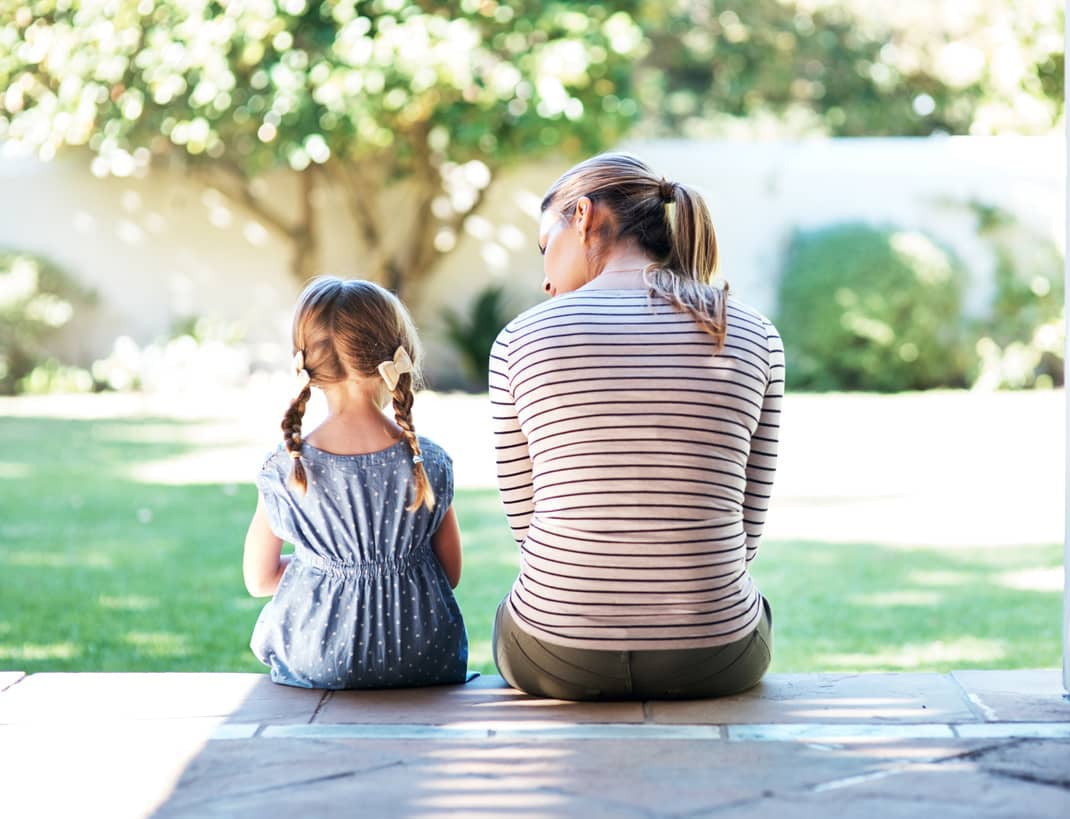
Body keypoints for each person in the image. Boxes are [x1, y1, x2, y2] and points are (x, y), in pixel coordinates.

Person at [489, 153, 784, 701]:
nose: (545, 278)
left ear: (582, 216)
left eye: (543, 246)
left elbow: (527, 526)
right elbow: (747, 527)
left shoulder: (520, 339)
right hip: (714, 655)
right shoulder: (751, 332)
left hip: (557, 655)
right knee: (753, 606)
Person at [243, 276, 468, 689]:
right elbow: (450, 573)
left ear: (306, 364)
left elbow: (259, 579)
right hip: (423, 656)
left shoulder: (286, 467)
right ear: (398, 356)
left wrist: (324, 566)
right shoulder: (429, 461)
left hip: (318, 658)